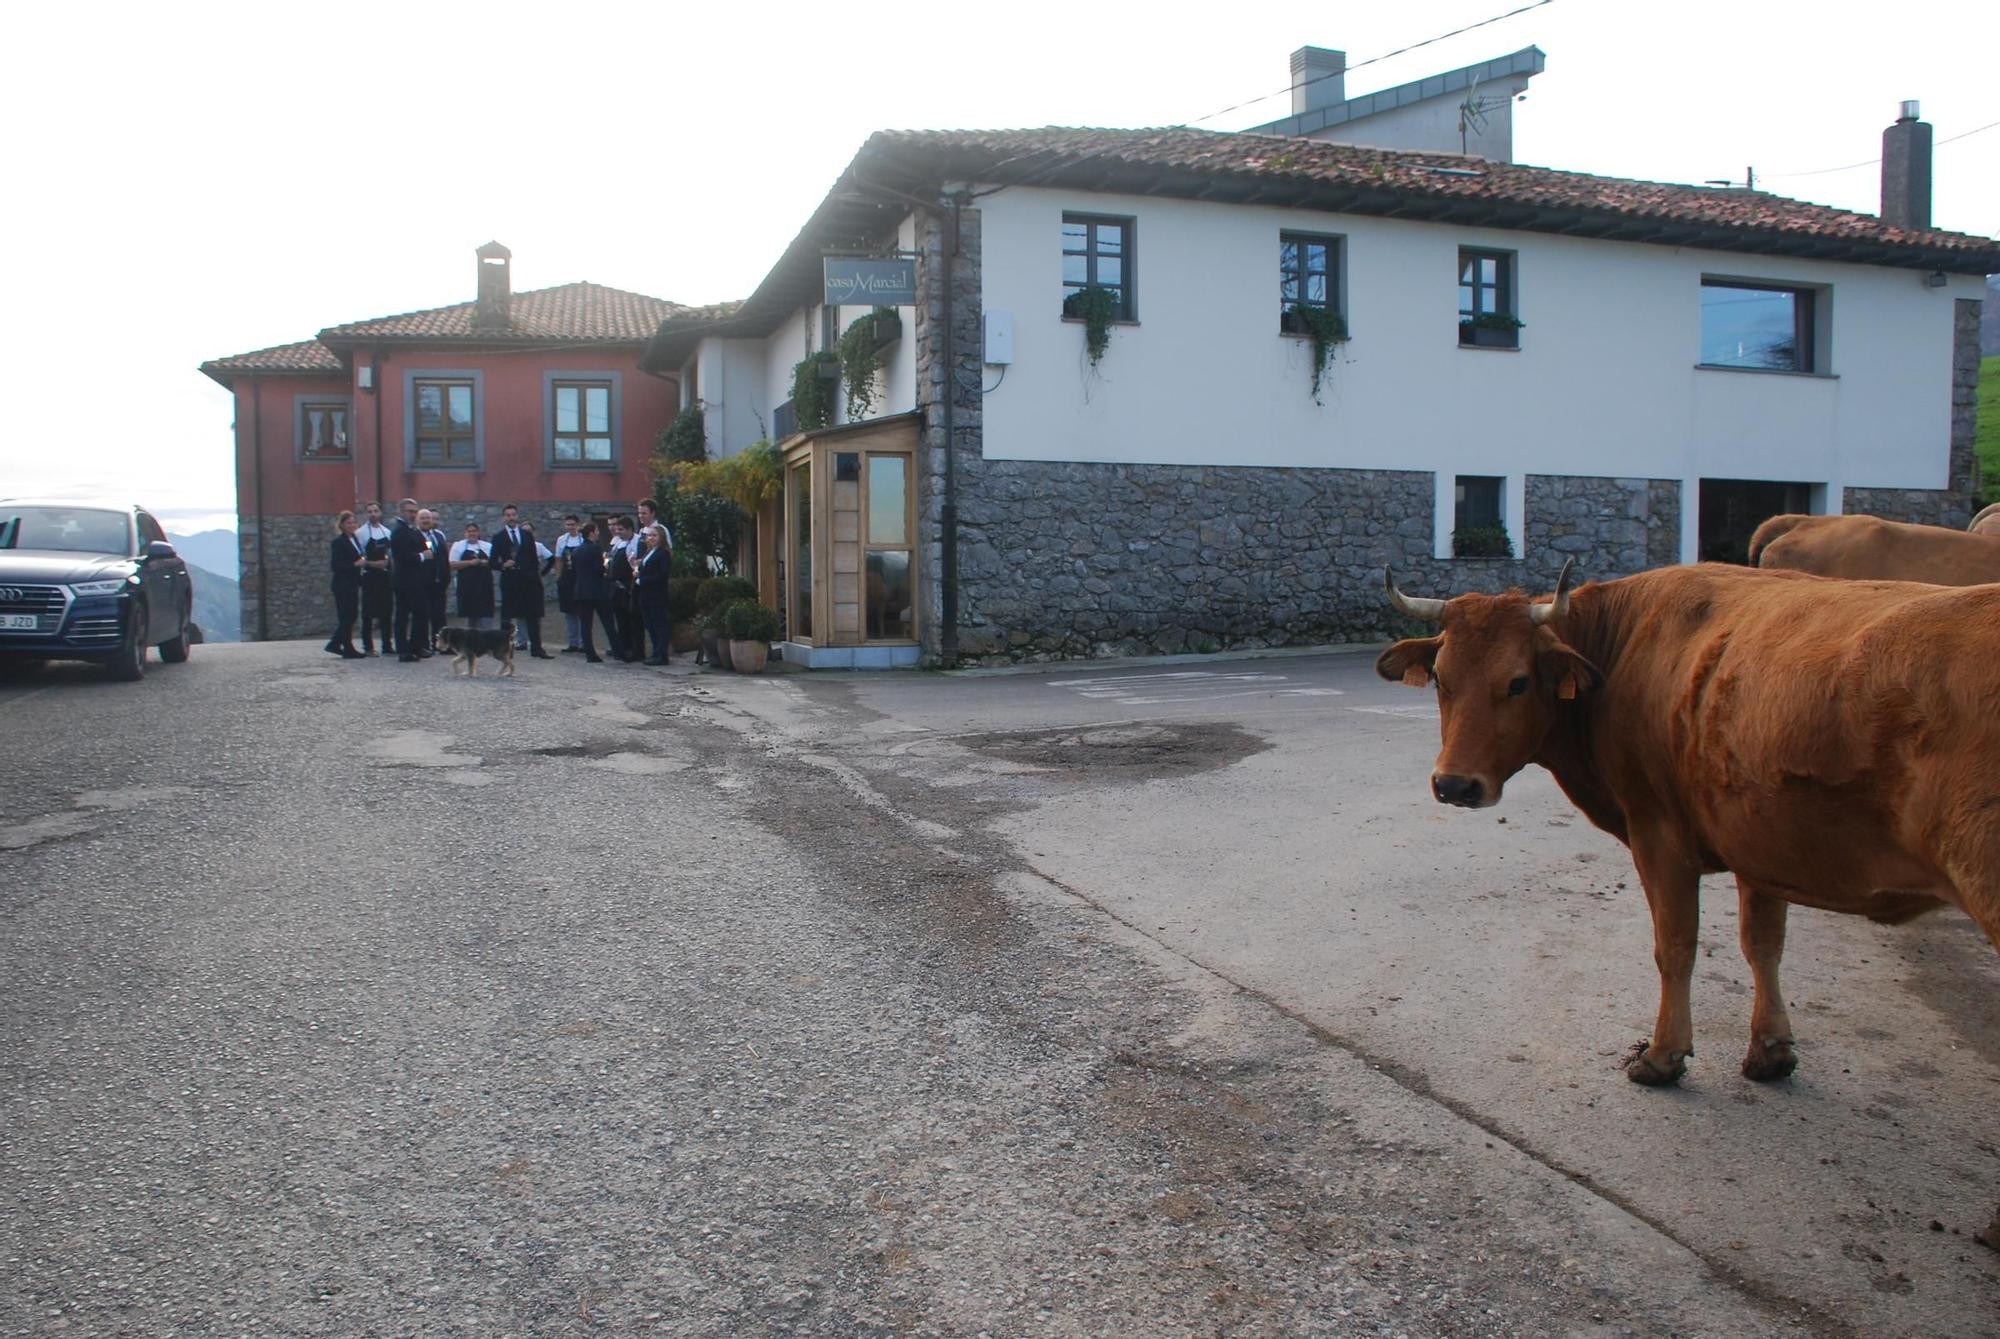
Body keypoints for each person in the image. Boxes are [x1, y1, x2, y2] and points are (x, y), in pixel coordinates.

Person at [491, 504, 554, 659]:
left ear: (517, 516)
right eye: (508, 515)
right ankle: (503, 649)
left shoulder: (527, 535)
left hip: (528, 581)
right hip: (510, 580)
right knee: (506, 616)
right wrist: (503, 565)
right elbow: (492, 562)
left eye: (513, 514)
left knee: (533, 615)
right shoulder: (498, 537)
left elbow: (533, 559)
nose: (511, 517)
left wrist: (537, 576)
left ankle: (537, 648)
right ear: (504, 517)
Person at [390, 503, 438, 661]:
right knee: (409, 615)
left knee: (419, 613)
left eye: (414, 512)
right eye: (410, 511)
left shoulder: (412, 530)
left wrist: (429, 548)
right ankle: (405, 649)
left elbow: (425, 545)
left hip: (416, 580)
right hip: (406, 580)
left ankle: (414, 647)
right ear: (401, 512)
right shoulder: (399, 531)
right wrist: (423, 556)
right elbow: (404, 557)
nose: (412, 514)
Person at [571, 521, 621, 664]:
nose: (599, 533)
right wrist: (605, 566)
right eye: (597, 530)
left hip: (581, 590)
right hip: (597, 591)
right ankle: (618, 650)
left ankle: (590, 653)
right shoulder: (595, 549)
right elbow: (599, 570)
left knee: (586, 625)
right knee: (608, 622)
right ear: (592, 533)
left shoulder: (577, 550)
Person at [325, 511, 367, 659]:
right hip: (342, 585)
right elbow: (336, 565)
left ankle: (335, 643)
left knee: (351, 615)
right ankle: (347, 647)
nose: (352, 525)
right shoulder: (339, 542)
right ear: (342, 525)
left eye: (354, 522)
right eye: (349, 523)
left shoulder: (354, 539)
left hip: (353, 583)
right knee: (346, 616)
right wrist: (355, 564)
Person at [356, 501, 394, 654]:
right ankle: (368, 646)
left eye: (375, 511)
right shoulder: (361, 533)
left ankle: (387, 645)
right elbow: (359, 558)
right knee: (368, 613)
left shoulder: (387, 532)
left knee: (386, 612)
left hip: (385, 577)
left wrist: (387, 563)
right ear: (366, 514)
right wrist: (373, 564)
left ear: (380, 513)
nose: (373, 514)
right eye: (370, 511)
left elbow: (391, 554)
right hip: (369, 577)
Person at [605, 515, 641, 662]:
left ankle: (634, 649)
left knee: (632, 619)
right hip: (616, 587)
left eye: (621, 529)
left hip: (629, 587)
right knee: (621, 620)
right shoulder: (617, 542)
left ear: (629, 529)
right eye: (616, 529)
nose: (617, 532)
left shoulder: (637, 541)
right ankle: (623, 647)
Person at [637, 523, 673, 665]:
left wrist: (643, 580)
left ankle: (661, 654)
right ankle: (656, 652)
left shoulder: (663, 553)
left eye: (654, 535)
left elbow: (662, 574)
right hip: (646, 594)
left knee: (659, 624)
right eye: (649, 535)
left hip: (656, 594)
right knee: (650, 624)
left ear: (661, 537)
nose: (651, 538)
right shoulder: (649, 552)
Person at [450, 521, 497, 629]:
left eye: (474, 531)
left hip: (484, 589)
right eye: (469, 531)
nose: (472, 534)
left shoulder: (487, 546)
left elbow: (495, 563)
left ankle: (486, 643)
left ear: (478, 532)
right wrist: (470, 563)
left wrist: (486, 563)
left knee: (485, 620)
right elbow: (452, 565)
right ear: (465, 533)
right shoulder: (458, 546)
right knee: (470, 622)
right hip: (467, 589)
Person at [552, 514, 584, 652]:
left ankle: (584, 643)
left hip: (580, 578)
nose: (570, 527)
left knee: (582, 612)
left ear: (578, 525)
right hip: (566, 579)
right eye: (568, 525)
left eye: (572, 524)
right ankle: (573, 643)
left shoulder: (583, 539)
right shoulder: (561, 540)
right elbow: (558, 559)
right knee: (569, 612)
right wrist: (558, 577)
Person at [426, 511, 452, 641]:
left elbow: (444, 556)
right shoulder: (422, 536)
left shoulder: (439, 535)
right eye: (432, 518)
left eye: (436, 519)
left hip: (440, 580)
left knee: (440, 614)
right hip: (427, 580)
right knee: (427, 613)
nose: (434, 521)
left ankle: (441, 641)